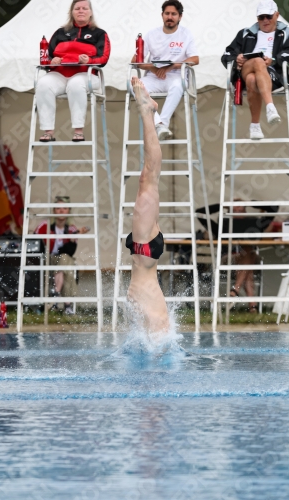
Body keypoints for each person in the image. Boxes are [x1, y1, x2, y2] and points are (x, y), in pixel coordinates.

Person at [125, 77, 169, 339]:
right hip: (144, 255)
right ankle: (147, 112)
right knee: (148, 178)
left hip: (144, 254)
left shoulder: (156, 319)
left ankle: (146, 111)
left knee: (148, 177)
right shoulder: (157, 319)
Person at [221, 0, 289, 140]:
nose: (265, 20)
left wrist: (274, 59)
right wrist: (236, 58)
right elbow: (226, 54)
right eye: (261, 17)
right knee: (257, 61)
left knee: (253, 78)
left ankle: (255, 125)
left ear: (277, 15)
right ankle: (270, 107)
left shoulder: (287, 33)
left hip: (273, 74)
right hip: (245, 70)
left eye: (268, 16)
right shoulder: (245, 33)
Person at [36, 0, 110, 142]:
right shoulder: (60, 32)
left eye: (84, 8)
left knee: (75, 84)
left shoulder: (99, 34)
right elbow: (47, 56)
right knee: (43, 83)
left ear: (91, 12)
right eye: (77, 8)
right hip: (60, 74)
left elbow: (104, 58)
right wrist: (52, 62)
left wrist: (89, 61)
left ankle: (78, 130)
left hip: (86, 75)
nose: (81, 11)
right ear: (72, 12)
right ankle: (48, 131)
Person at [131, 0, 199, 141]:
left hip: (175, 75)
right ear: (162, 15)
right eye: (167, 13)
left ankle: (163, 122)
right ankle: (159, 124)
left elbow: (195, 59)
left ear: (180, 16)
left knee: (177, 85)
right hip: (154, 77)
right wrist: (154, 69)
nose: (170, 17)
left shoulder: (186, 34)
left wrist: (171, 66)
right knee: (135, 86)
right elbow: (135, 60)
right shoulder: (151, 34)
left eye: (173, 14)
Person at [196, 201, 279, 313]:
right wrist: (222, 205)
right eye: (234, 210)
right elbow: (199, 213)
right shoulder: (221, 225)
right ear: (228, 211)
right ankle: (251, 304)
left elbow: (274, 208)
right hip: (228, 260)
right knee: (248, 255)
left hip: (247, 259)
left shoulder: (254, 223)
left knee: (248, 252)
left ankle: (236, 291)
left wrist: (250, 203)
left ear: (246, 212)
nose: (238, 213)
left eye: (241, 210)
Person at [34, 195, 89, 314]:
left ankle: (55, 294)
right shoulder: (44, 226)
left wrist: (73, 236)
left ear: (69, 211)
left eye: (65, 208)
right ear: (54, 210)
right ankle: (67, 305)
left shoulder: (71, 229)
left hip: (62, 261)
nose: (61, 211)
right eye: (58, 208)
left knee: (65, 260)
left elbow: (69, 251)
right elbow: (35, 245)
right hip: (47, 259)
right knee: (66, 264)